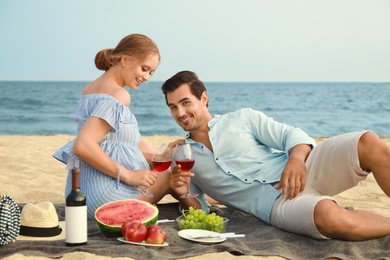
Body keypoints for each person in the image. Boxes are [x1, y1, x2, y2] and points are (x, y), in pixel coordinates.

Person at [162, 70, 390, 241]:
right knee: (330, 217)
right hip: (276, 206)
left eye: (185, 102)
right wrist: (183, 193)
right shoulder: (183, 156)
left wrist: (296, 159)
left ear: (203, 98)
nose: (180, 113)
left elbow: (291, 135)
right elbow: (199, 211)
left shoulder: (243, 118)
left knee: (368, 142)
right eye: (173, 107)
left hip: (304, 168)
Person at [53, 34, 170, 219]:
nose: (147, 77)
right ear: (125, 59)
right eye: (144, 69)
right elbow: (83, 146)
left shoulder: (90, 90)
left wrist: (155, 157)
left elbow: (115, 144)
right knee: (172, 174)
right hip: (105, 200)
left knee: (160, 163)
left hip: (79, 198)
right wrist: (130, 176)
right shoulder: (118, 94)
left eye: (151, 73)